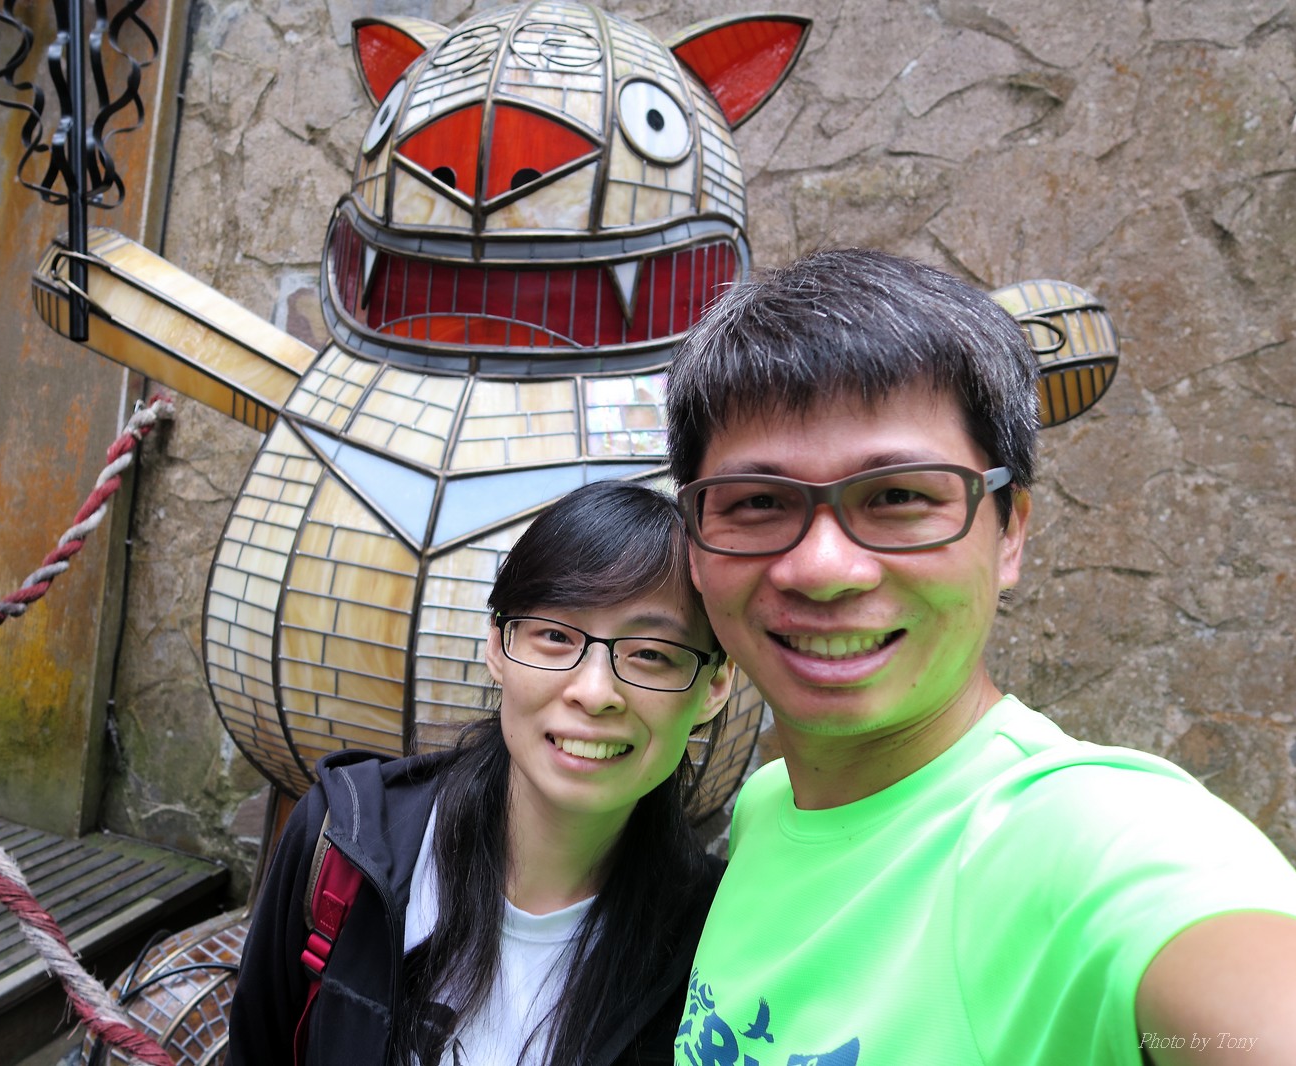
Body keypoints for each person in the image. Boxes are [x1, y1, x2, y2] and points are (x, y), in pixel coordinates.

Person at [664, 248, 1296, 1066]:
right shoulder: (765, 807)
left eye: (898, 496)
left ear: (1010, 534)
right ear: (695, 548)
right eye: (756, 502)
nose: (821, 568)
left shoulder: (1085, 842)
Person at [224, 479, 736, 1066]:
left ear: (715, 685)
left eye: (651, 653)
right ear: (497, 644)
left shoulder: (718, 942)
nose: (595, 693)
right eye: (555, 636)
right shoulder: (345, 843)